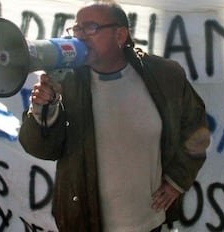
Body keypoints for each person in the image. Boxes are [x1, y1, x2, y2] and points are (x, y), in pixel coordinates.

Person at [18, 1, 210, 231]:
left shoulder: (163, 75)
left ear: (120, 34)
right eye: (77, 29)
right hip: (84, 223)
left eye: (90, 28)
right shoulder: (68, 81)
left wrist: (177, 182)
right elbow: (43, 149)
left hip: (148, 221)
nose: (80, 36)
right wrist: (42, 110)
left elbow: (195, 129)